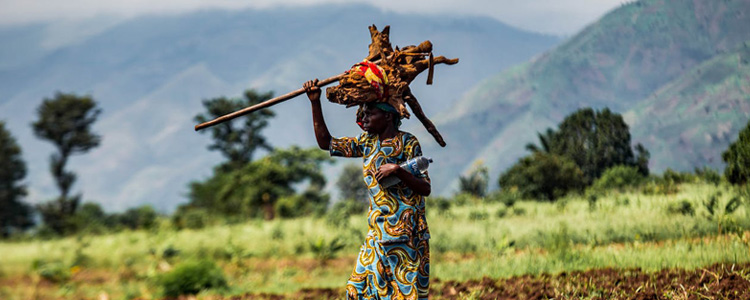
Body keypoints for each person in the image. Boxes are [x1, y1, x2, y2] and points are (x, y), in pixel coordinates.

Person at [304, 76, 432, 300]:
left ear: (388, 116)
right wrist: (315, 102)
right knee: (357, 290)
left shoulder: (408, 143)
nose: (364, 118)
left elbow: (426, 188)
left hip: (406, 235)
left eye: (370, 113)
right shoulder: (367, 142)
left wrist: (398, 171)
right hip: (376, 234)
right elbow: (327, 143)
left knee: (403, 294)